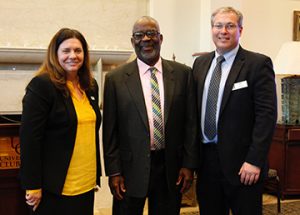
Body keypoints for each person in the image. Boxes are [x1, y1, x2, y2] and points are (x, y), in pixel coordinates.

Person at [103, 16, 199, 215]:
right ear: (132, 41)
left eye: (151, 34)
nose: (146, 39)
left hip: (170, 168)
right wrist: (114, 171)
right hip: (130, 170)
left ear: (161, 38)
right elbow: (110, 131)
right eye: (139, 35)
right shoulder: (115, 79)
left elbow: (191, 124)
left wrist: (189, 165)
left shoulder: (183, 74)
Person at [192, 6, 277, 215]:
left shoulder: (257, 64)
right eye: (218, 26)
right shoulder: (200, 64)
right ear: (212, 29)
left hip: (244, 165)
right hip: (207, 162)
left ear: (241, 30)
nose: (223, 31)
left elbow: (266, 116)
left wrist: (254, 161)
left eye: (230, 26)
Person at [19, 28, 102, 215]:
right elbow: (30, 139)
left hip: (86, 183)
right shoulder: (42, 86)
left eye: (78, 51)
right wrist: (32, 185)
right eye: (66, 51)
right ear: (55, 54)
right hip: (54, 186)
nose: (73, 56)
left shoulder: (90, 86)